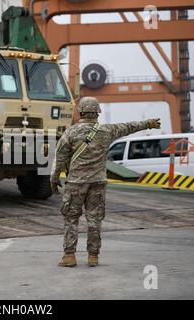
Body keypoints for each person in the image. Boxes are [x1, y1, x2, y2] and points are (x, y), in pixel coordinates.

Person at [50, 97, 161, 267]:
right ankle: (93, 256)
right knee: (94, 219)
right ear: (97, 112)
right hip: (98, 182)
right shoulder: (107, 131)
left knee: (71, 218)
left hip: (75, 184)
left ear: (80, 112)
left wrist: (54, 178)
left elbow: (60, 158)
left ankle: (69, 256)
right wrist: (149, 123)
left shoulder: (70, 132)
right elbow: (129, 127)